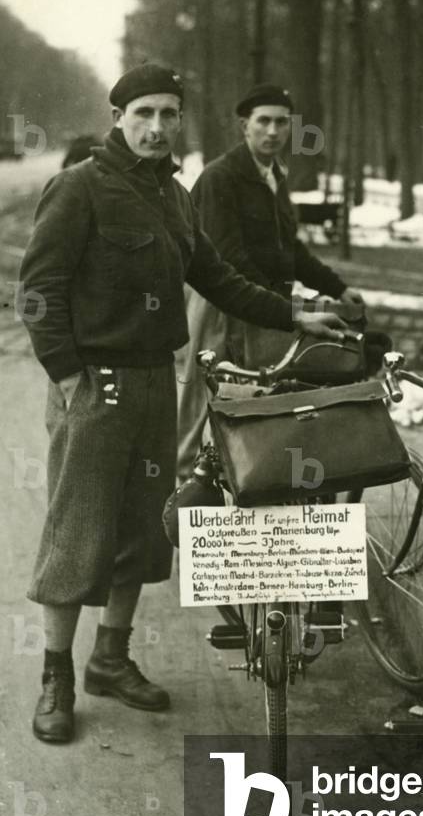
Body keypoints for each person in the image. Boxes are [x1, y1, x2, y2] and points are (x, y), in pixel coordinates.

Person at [19, 63, 346, 744]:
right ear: (119, 118)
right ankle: (57, 674)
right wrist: (69, 376)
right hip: (96, 386)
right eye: (145, 114)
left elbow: (218, 277)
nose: (158, 127)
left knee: (143, 529)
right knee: (77, 532)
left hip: (152, 383)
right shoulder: (79, 188)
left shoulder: (174, 196)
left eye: (170, 114)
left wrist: (294, 315)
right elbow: (39, 289)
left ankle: (110, 659)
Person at [176, 82, 363, 478]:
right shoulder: (221, 177)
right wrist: (280, 305)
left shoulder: (274, 175)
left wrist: (337, 287)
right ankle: (182, 508)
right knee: (199, 407)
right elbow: (228, 257)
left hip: (264, 307)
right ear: (245, 125)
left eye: (282, 123)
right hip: (218, 307)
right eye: (264, 121)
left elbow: (289, 249)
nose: (273, 131)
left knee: (258, 406)